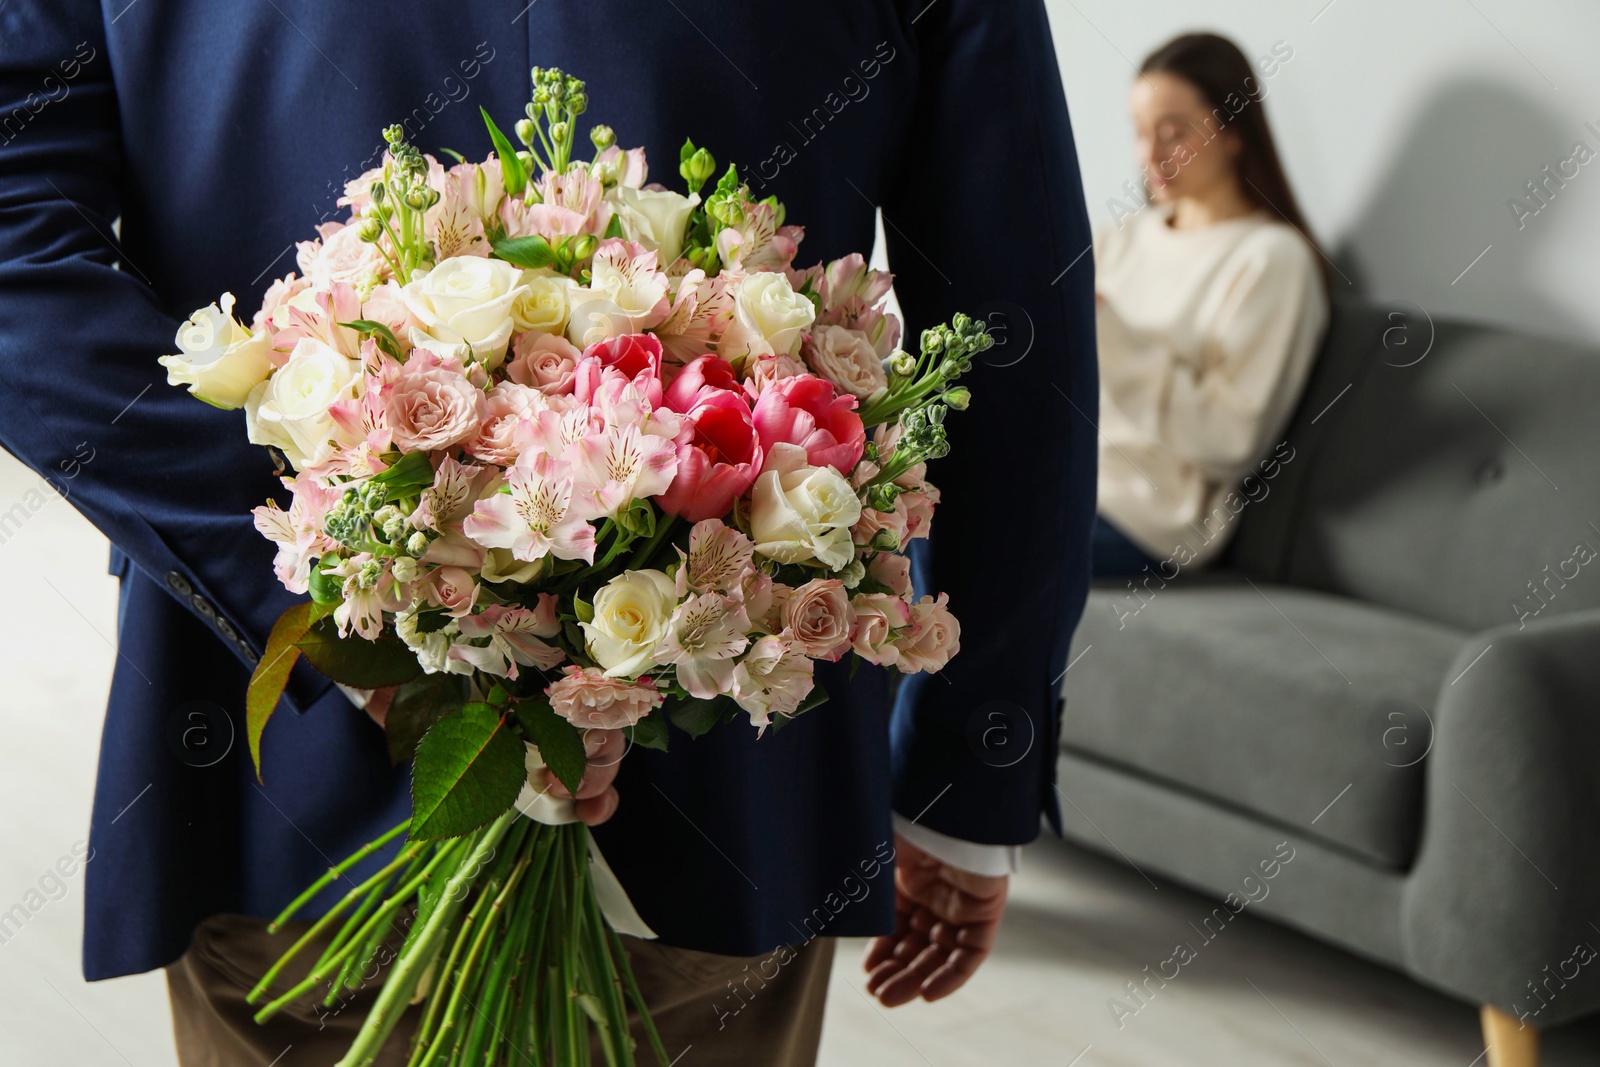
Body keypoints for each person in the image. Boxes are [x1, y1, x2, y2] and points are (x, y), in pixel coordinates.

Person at [0, 2, 1097, 1064]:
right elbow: (1013, 320)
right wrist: (971, 759)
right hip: (730, 790)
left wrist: (328, 576)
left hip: (279, 803)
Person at [1092, 32, 1329, 580]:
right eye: (1140, 133)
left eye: (1174, 133)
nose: (1151, 155)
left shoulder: (1271, 260)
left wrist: (1104, 327)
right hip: (1066, 474)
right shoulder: (1119, 238)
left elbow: (1229, 439)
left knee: (968, 554)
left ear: (1233, 132)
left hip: (1150, 518)